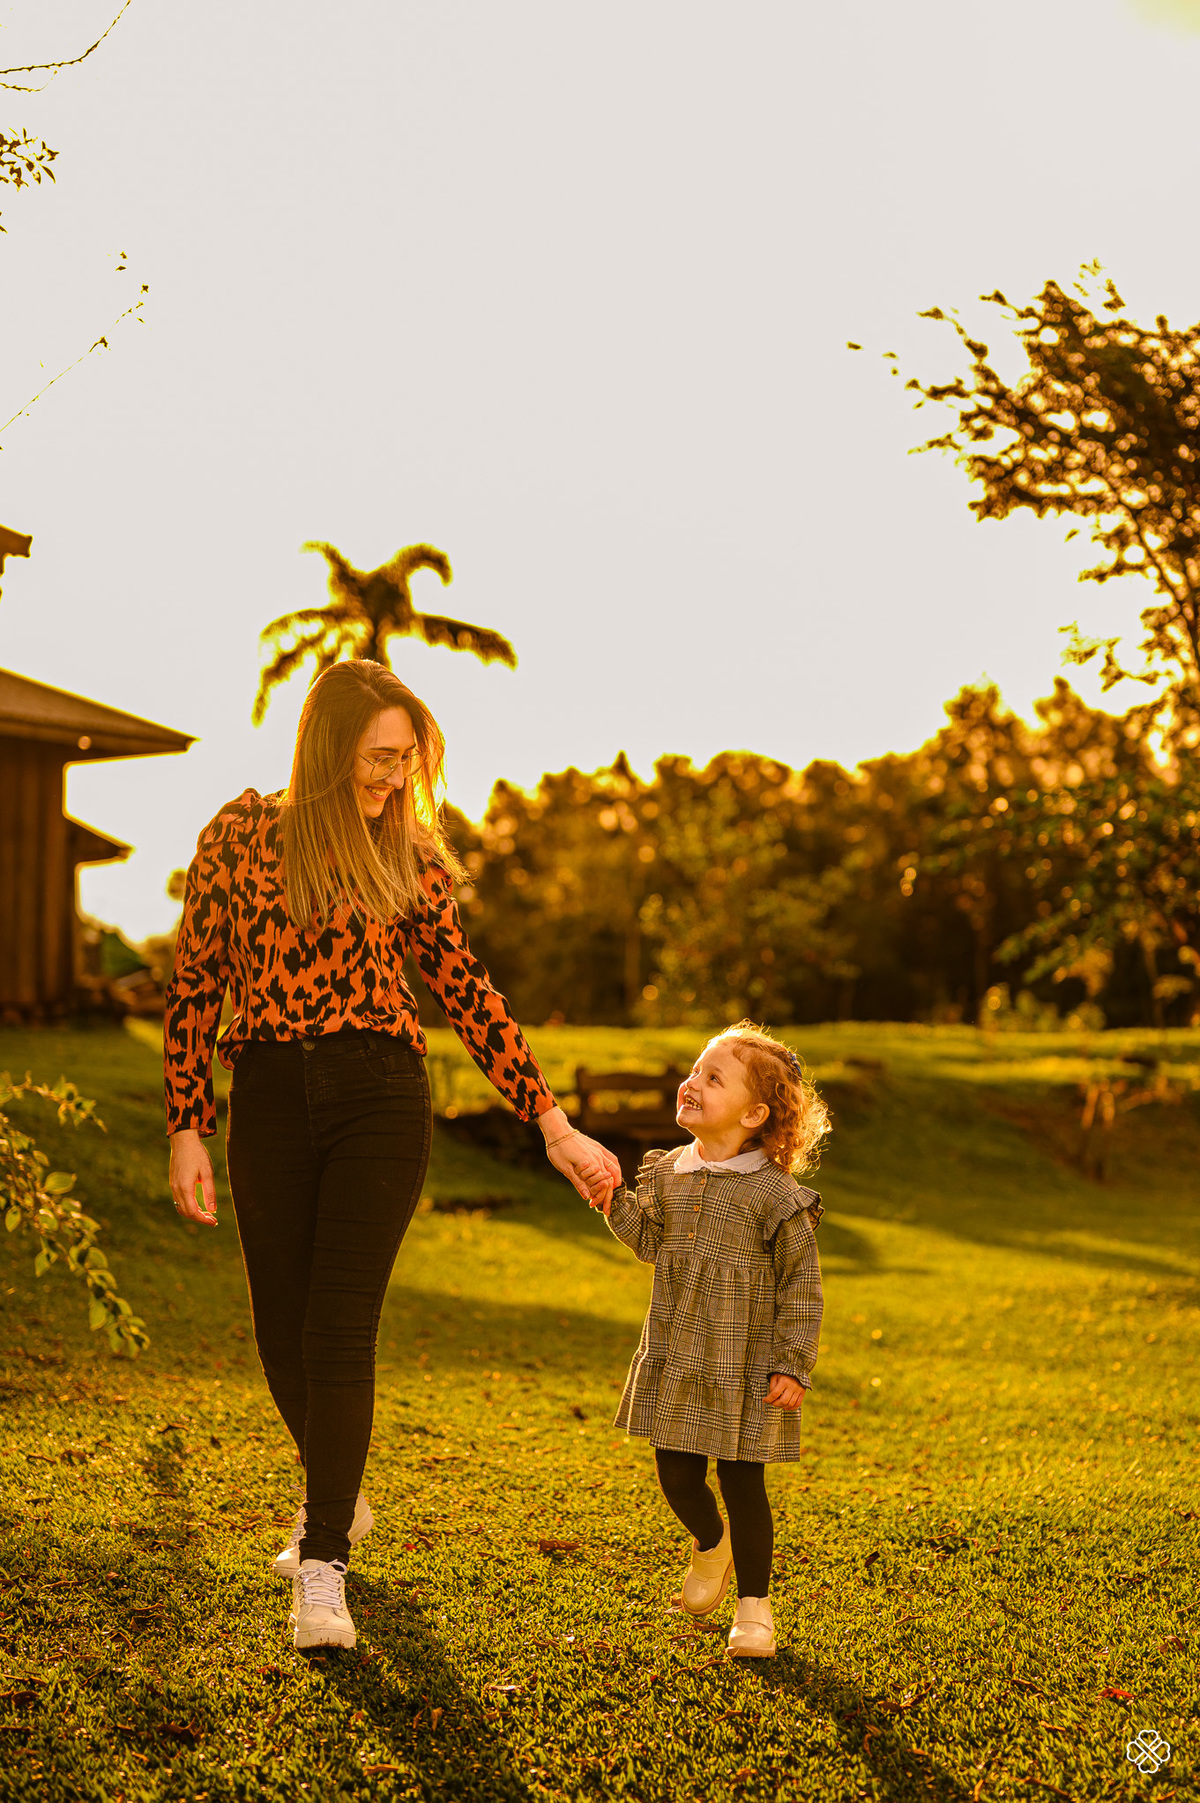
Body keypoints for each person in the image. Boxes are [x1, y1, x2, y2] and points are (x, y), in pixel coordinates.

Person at [164, 659, 619, 1652]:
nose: (390, 778)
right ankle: (341, 1493)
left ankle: (323, 1562)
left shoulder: (408, 857)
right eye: (378, 757)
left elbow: (467, 992)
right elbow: (197, 987)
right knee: (280, 1329)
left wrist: (551, 1120)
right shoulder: (238, 836)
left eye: (405, 762)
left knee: (336, 1327)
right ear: (328, 745)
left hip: (380, 1096)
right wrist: (187, 1125)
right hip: (271, 1096)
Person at [595, 1021, 827, 1657]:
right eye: (694, 1071)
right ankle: (709, 1543)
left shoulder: (775, 1195)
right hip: (679, 1353)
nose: (690, 1083)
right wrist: (612, 1195)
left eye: (712, 1077)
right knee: (674, 1474)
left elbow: (801, 1290)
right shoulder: (669, 1171)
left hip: (748, 1365)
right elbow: (650, 1242)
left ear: (754, 1114)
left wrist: (792, 1365)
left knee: (744, 1483)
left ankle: (754, 1610)